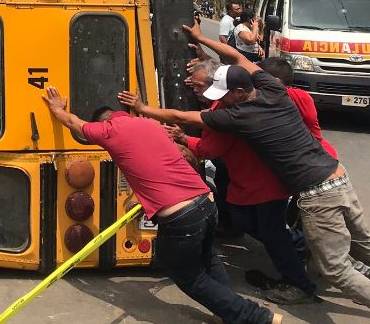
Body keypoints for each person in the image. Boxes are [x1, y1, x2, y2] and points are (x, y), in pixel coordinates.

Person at [119, 21, 370, 310]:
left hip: (317, 192)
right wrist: (202, 39)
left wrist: (142, 109)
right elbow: (237, 57)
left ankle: (304, 281)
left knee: (335, 269)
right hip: (338, 176)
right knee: (363, 245)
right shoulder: (271, 88)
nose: (219, 100)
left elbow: (183, 117)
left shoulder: (237, 115)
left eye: (222, 94)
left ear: (239, 91)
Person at [42, 87, 277, 324]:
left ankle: (254, 316)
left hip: (181, 216)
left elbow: (73, 123)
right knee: (208, 257)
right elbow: (155, 163)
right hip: (206, 202)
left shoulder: (109, 129)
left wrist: (57, 109)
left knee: (187, 275)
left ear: (104, 121)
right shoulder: (152, 125)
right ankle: (226, 312)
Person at [172, 58, 318, 304]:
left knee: (270, 232)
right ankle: (300, 249)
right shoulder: (230, 103)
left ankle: (300, 279)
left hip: (263, 181)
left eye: (199, 85)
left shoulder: (229, 111)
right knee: (251, 223)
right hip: (251, 180)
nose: (194, 89)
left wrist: (183, 139)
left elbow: (210, 148)